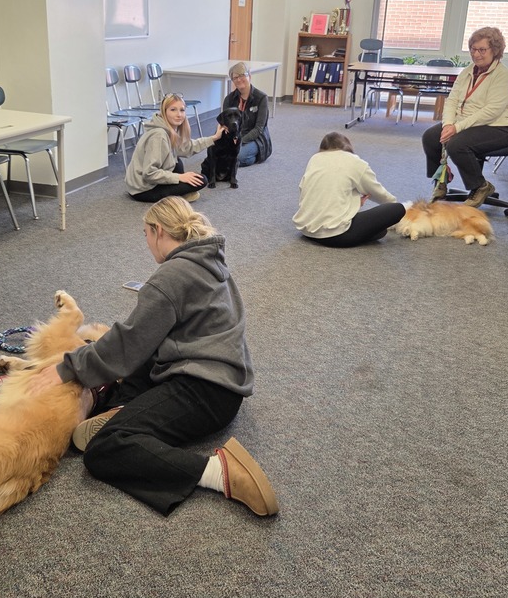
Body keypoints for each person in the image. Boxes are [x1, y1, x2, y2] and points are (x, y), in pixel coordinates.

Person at [28, 197, 278, 517]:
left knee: (105, 448)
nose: (146, 242)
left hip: (205, 391)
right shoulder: (209, 260)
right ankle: (122, 405)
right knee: (146, 353)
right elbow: (142, 343)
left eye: (145, 234)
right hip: (223, 380)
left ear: (158, 230)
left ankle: (220, 472)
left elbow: (128, 341)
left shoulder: (169, 277)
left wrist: (68, 368)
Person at [422, 26, 508, 207]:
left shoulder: (502, 75)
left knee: (457, 143)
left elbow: (491, 111)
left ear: (495, 50)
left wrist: (456, 128)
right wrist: (448, 123)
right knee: (430, 137)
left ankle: (480, 186)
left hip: (500, 127)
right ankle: (440, 183)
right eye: (473, 49)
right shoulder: (468, 71)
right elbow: (452, 100)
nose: (476, 54)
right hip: (467, 122)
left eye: (482, 50)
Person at [292, 132, 406, 247]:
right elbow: (378, 193)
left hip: (307, 231)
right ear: (348, 148)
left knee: (380, 231)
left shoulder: (314, 159)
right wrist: (400, 207)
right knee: (397, 209)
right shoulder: (354, 161)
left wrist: (353, 202)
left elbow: (307, 191)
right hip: (337, 236)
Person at [125, 93, 226, 203]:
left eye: (182, 110)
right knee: (202, 180)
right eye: (173, 110)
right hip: (143, 190)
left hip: (148, 182)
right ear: (164, 112)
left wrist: (214, 138)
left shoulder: (169, 129)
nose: (179, 114)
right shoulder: (159, 136)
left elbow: (187, 148)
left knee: (177, 162)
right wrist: (179, 177)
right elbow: (149, 173)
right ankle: (178, 196)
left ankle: (178, 194)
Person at [222, 62, 272, 167]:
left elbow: (259, 128)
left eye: (242, 75)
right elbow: (225, 124)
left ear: (249, 76)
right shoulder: (229, 99)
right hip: (235, 136)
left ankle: (254, 154)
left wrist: (240, 141)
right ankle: (244, 158)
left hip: (255, 137)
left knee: (238, 155)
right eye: (235, 78)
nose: (239, 80)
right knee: (217, 152)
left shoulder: (261, 98)